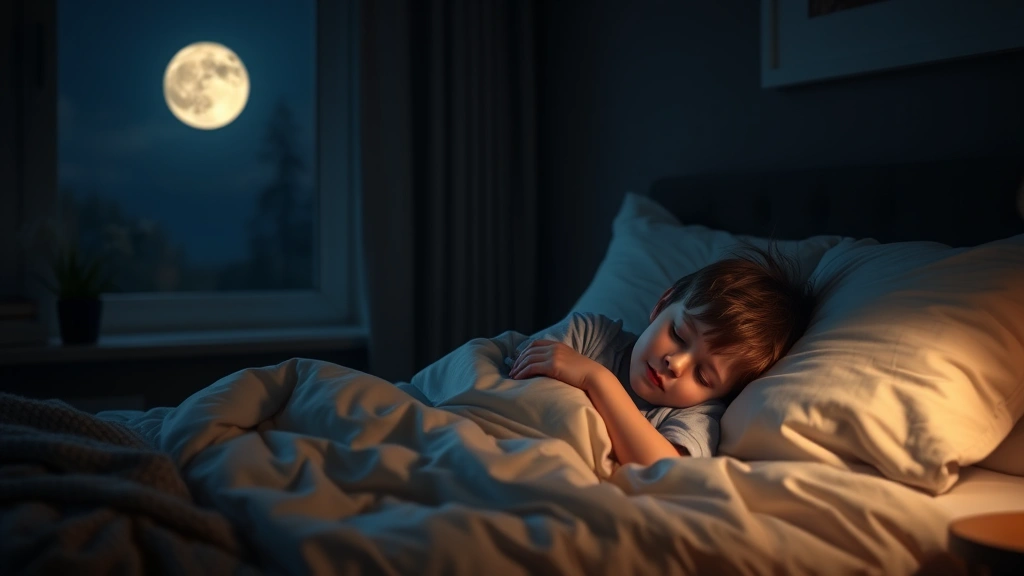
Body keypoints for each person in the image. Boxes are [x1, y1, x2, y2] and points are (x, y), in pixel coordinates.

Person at [507, 244, 813, 466]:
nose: (676, 363)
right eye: (679, 334)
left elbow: (664, 470)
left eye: (703, 375)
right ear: (662, 304)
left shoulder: (696, 417)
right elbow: (512, 385)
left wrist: (597, 380)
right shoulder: (588, 335)